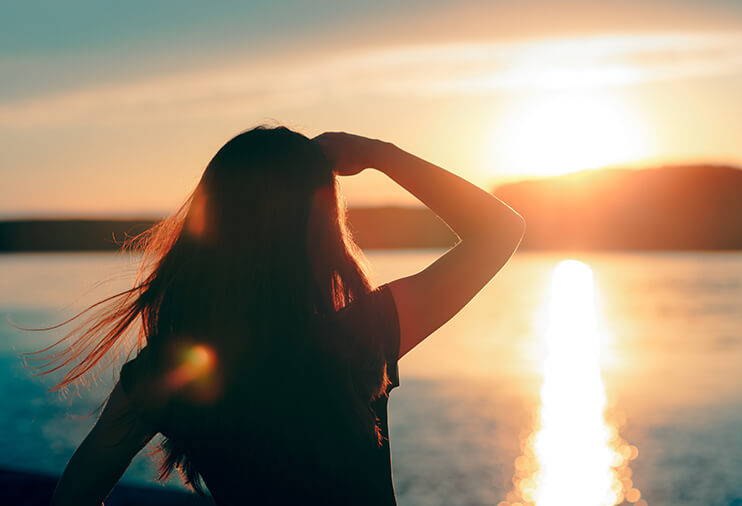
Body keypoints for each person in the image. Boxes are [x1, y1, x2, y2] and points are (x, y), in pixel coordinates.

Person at [42, 126, 525, 505]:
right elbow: (499, 229)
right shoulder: (359, 337)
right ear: (320, 233)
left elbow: (75, 495)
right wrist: (379, 153)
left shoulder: (165, 373)